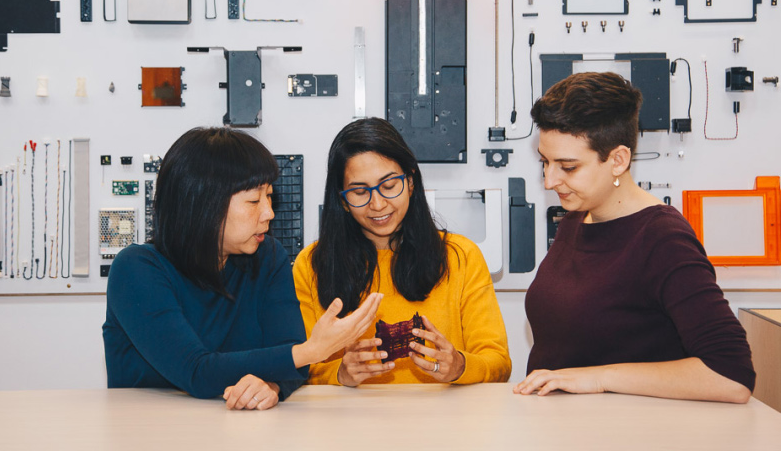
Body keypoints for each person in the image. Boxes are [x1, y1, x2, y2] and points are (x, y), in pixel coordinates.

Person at [514, 72, 755, 403]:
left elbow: (731, 375)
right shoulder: (576, 218)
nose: (549, 181)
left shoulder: (662, 239)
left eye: (567, 167)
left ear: (618, 160)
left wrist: (599, 378)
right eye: (545, 162)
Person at [103, 127, 381, 410]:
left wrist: (270, 386)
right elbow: (196, 371)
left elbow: (289, 361)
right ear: (204, 205)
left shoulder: (268, 256)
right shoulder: (136, 269)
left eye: (269, 196)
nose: (269, 213)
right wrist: (311, 351)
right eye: (253, 201)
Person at [293, 118, 511, 386]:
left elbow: (499, 363)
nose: (377, 204)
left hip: (446, 423)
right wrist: (340, 373)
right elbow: (298, 369)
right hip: (349, 423)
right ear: (342, 201)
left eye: (388, 186)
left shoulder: (461, 256)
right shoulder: (312, 264)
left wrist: (459, 365)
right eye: (360, 191)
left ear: (410, 181)